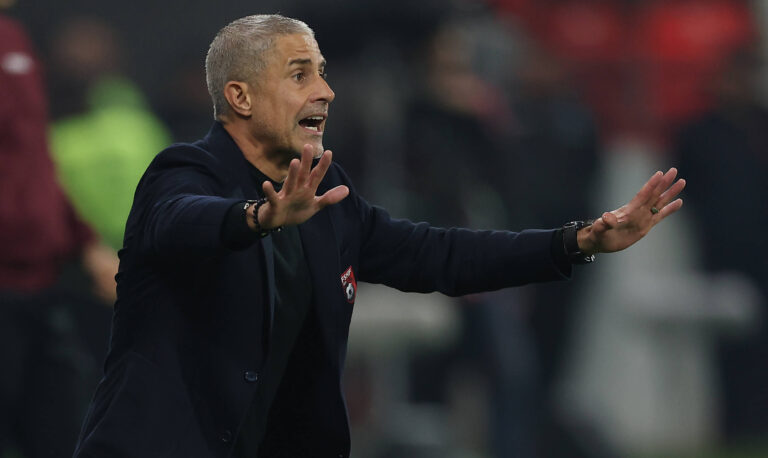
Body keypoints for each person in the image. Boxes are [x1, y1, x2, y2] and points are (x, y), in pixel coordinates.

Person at [73, 14, 685, 458]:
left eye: (322, 73)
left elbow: (438, 254)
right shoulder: (182, 171)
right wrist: (256, 219)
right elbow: (181, 221)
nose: (326, 91)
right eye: (300, 75)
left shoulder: (327, 192)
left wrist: (576, 241)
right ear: (240, 96)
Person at [0, 9, 118, 458]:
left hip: (40, 282)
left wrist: (85, 242)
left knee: (64, 432)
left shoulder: (12, 36)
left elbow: (34, 160)